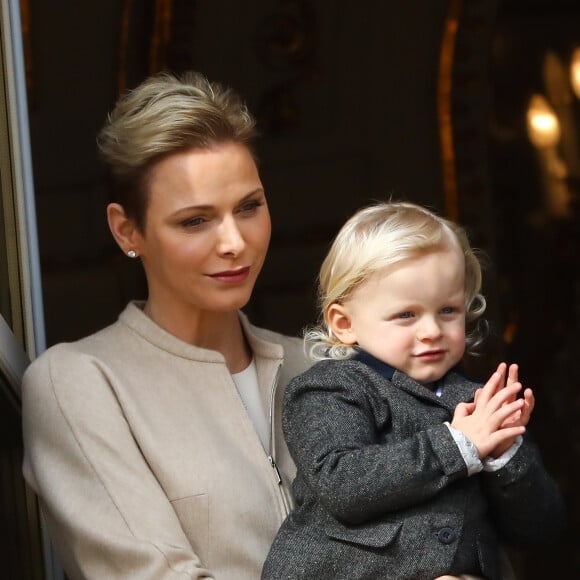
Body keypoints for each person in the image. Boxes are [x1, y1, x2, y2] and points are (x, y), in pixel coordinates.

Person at [21, 71, 311, 579]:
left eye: (248, 207)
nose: (234, 242)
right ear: (127, 229)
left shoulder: (317, 365)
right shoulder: (81, 382)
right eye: (195, 220)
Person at [261, 201, 564, 580]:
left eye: (448, 310)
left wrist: (505, 457)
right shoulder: (329, 389)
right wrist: (457, 445)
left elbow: (539, 529)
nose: (432, 330)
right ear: (344, 323)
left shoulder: (476, 402)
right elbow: (344, 485)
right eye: (406, 315)